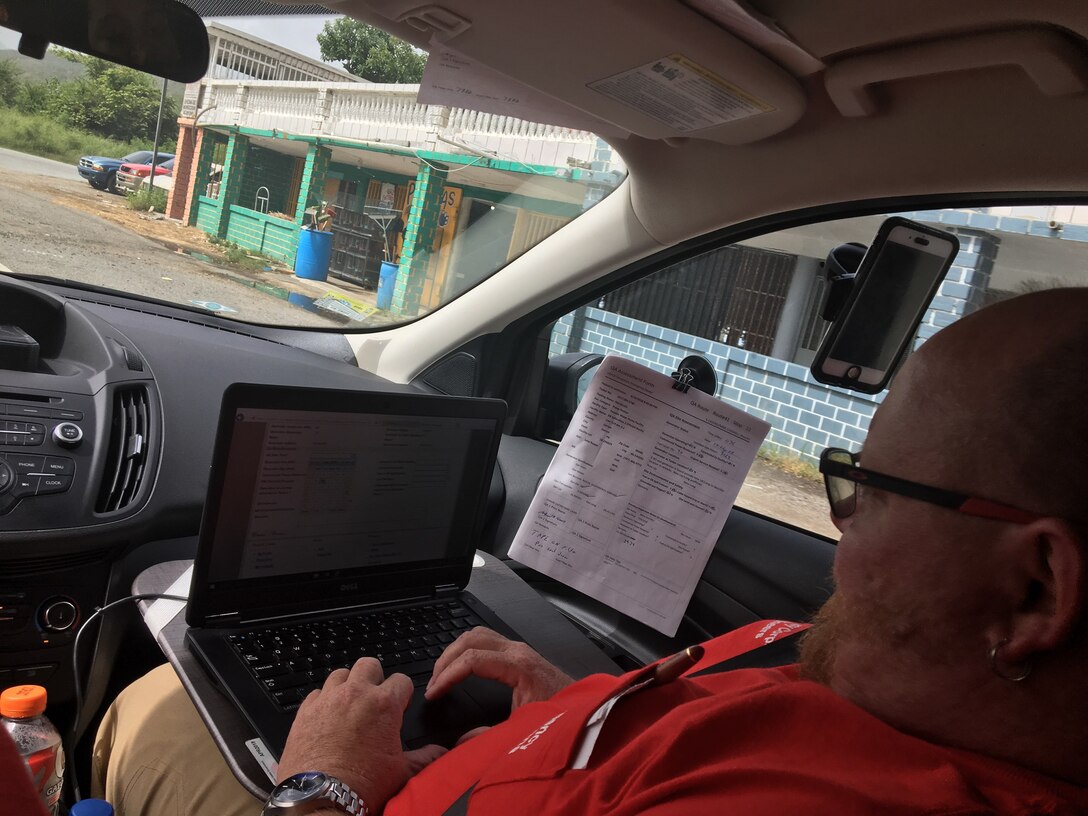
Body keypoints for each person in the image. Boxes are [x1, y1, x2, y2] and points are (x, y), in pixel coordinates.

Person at [5, 288, 1085, 815]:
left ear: (1034, 587)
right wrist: (580, 707)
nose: (838, 531)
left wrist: (325, 787)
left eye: (867, 493)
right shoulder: (887, 694)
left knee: (144, 703)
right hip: (489, 756)